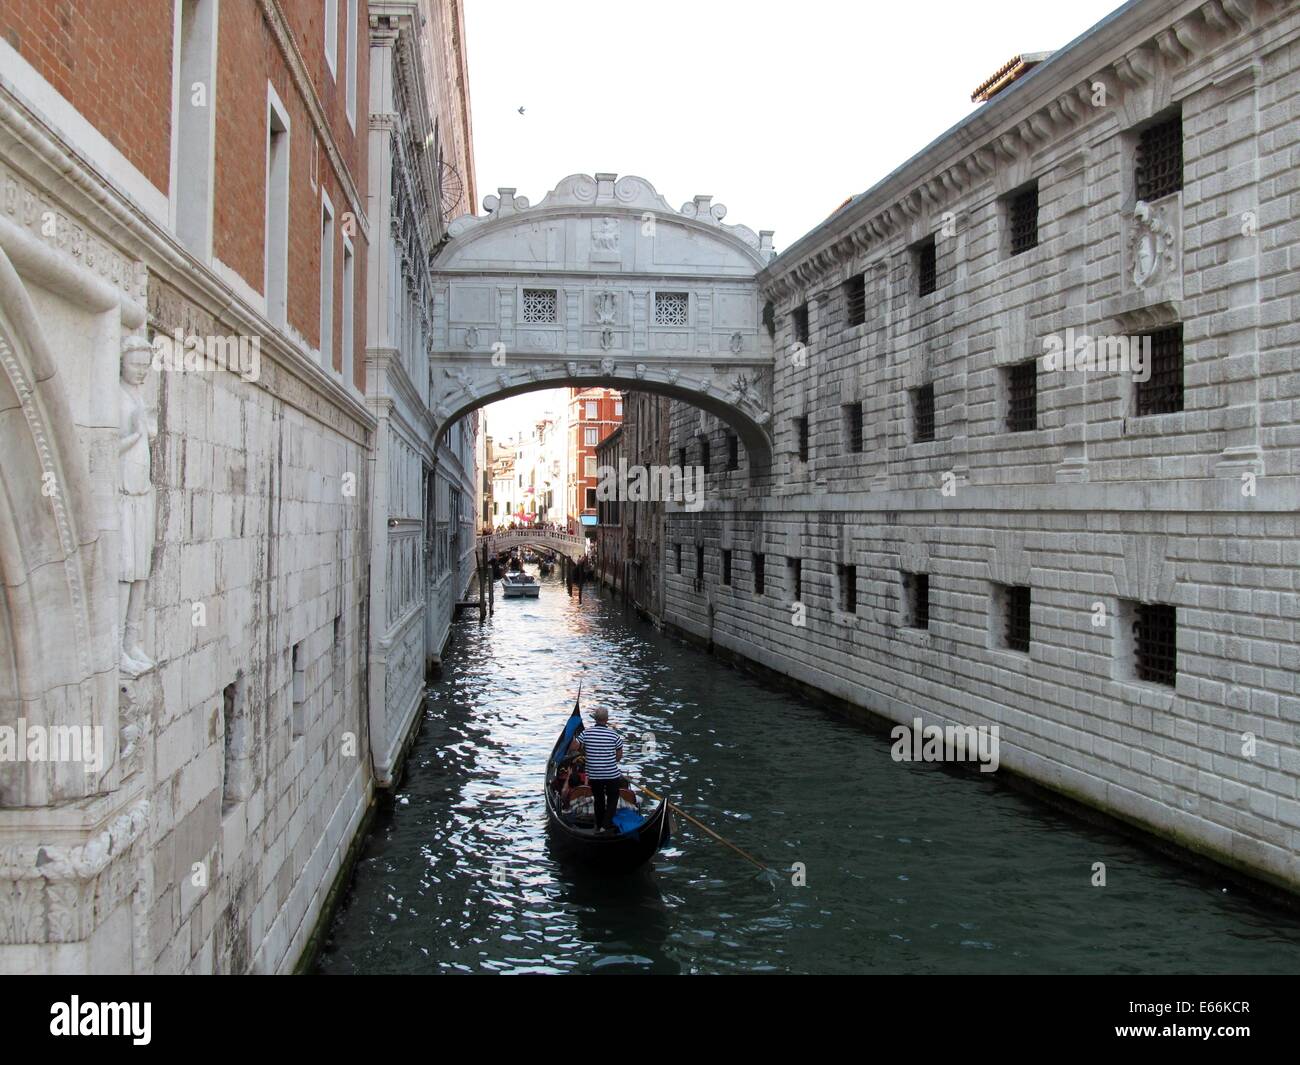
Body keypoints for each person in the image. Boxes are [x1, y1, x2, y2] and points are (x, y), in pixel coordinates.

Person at [569, 707, 624, 833]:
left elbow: (574, 747)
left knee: (598, 799)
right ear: (607, 719)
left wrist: (571, 735)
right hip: (611, 774)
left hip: (594, 775)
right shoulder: (614, 735)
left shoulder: (586, 733)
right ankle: (605, 825)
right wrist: (609, 762)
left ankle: (599, 826)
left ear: (595, 719)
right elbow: (619, 756)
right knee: (613, 798)